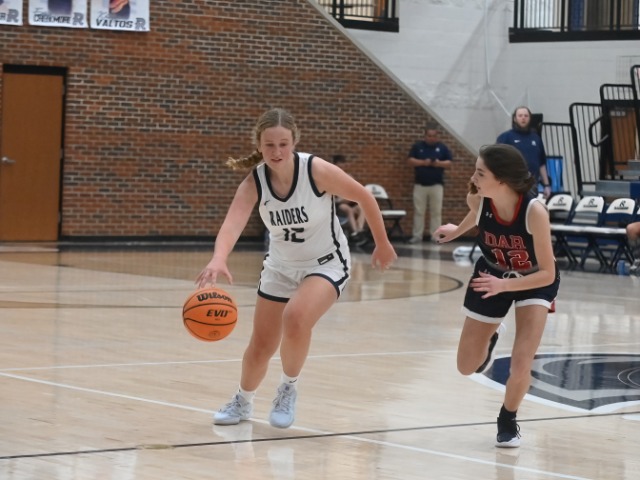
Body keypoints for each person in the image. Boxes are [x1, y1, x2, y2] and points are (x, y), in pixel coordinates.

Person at [196, 108, 397, 429]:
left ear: (294, 143)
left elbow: (365, 197)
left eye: (283, 144)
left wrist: (382, 243)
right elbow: (232, 223)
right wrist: (219, 257)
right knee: (261, 345)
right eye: (269, 145)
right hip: (280, 267)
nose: (277, 151)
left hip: (327, 262)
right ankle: (242, 401)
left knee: (296, 317)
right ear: (259, 145)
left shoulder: (315, 171)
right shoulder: (255, 182)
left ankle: (287, 389)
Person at [434, 143, 560, 448]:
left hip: (534, 280)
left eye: (480, 173)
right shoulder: (477, 199)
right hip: (491, 272)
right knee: (466, 366)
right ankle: (490, 337)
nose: (473, 177)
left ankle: (508, 418)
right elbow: (476, 215)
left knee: (521, 362)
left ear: (502, 179)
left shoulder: (534, 211)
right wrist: (456, 231)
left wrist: (504, 286)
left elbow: (548, 273)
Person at [407, 125, 452, 243]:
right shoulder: (418, 146)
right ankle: (417, 236)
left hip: (437, 185)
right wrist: (423, 162)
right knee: (419, 211)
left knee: (436, 212)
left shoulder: (442, 148)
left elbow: (449, 163)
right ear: (425, 136)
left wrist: (438, 163)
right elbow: (410, 161)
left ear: (437, 137)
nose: (431, 138)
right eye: (429, 136)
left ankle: (435, 236)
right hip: (420, 185)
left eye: (434, 136)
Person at [497, 106, 552, 199]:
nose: (523, 118)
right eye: (520, 116)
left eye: (526, 116)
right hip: (513, 183)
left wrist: (546, 185)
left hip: (532, 184)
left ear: (530, 118)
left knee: (529, 206)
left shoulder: (536, 138)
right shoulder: (505, 137)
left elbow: (541, 164)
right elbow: (497, 162)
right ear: (515, 119)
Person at [332, 155, 368, 246]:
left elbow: (355, 190)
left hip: (349, 201)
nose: (341, 168)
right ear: (335, 165)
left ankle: (359, 230)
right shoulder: (332, 178)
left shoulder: (349, 176)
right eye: (339, 166)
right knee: (348, 209)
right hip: (339, 204)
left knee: (361, 208)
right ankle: (355, 232)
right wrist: (341, 199)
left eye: (342, 166)